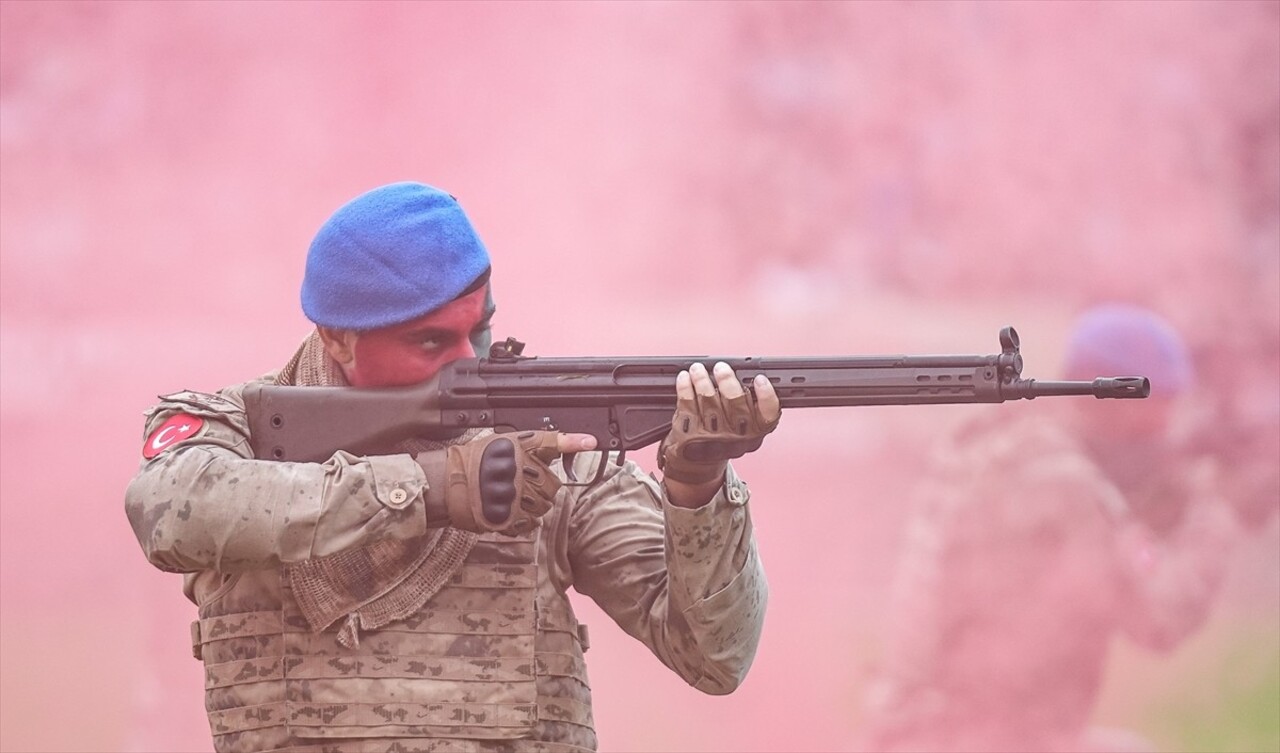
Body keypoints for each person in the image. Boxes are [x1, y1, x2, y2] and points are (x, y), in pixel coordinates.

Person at [124, 182, 780, 753]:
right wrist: (435, 488)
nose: (469, 360)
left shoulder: (547, 448)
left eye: (482, 330)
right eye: (432, 341)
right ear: (336, 336)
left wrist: (697, 488)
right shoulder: (240, 425)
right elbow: (170, 509)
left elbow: (714, 656)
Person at [858, 303, 1237, 753]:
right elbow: (1160, 616)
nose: (1167, 430)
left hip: (914, 728)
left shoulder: (994, 446)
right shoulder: (1060, 481)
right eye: (1159, 407)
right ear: (1114, 395)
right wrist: (1215, 517)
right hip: (976, 738)